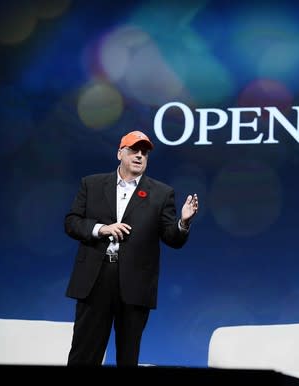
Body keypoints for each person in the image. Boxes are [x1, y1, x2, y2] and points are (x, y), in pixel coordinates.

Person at [64, 130, 199, 366]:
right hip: (95, 281)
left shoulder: (161, 193)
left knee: (128, 358)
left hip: (135, 285)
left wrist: (183, 222)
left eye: (144, 153)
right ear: (120, 153)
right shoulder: (92, 184)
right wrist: (100, 229)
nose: (139, 156)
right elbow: (72, 222)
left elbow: (172, 238)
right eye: (134, 150)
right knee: (84, 355)